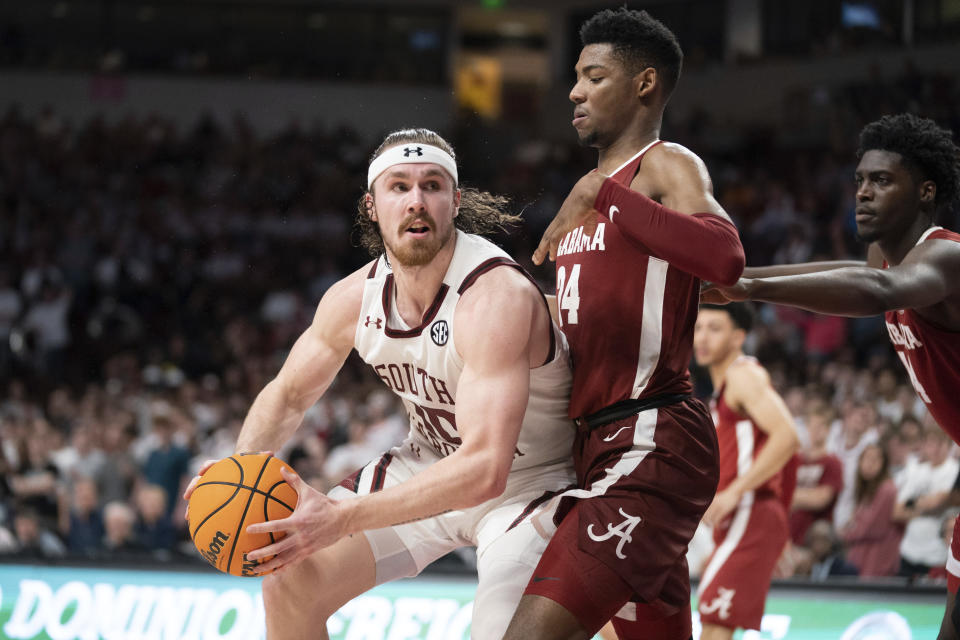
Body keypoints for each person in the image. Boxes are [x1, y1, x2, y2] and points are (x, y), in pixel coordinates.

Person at [185, 128, 577, 640]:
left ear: (455, 202)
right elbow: (287, 395)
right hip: (428, 464)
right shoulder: (353, 298)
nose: (417, 201)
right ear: (372, 206)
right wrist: (239, 467)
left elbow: (486, 469)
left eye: (432, 186)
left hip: (532, 486)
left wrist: (342, 519)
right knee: (288, 576)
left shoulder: (495, 296)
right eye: (399, 187)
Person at [502, 8, 745, 640]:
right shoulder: (588, 196)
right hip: (597, 445)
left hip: (650, 439)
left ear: (644, 84)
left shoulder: (666, 167)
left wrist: (600, 193)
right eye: (575, 79)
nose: (575, 92)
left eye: (593, 76)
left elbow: (725, 257)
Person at [703, 113, 960, 639]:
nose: (863, 192)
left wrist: (750, 291)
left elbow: (875, 291)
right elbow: (857, 273)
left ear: (926, 192)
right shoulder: (883, 260)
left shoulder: (948, 256)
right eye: (860, 180)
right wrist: (742, 277)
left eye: (883, 181)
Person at [692, 303, 798, 640]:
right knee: (711, 621)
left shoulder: (743, 376)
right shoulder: (721, 391)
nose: (702, 337)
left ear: (739, 337)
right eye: (698, 327)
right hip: (742, 517)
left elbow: (788, 437)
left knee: (714, 625)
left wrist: (736, 492)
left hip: (751, 512)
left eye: (714, 328)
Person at [840, 443, 903, 577]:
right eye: (866, 458)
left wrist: (845, 535)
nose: (870, 464)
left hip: (877, 560)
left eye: (875, 459)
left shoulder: (887, 489)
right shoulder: (865, 490)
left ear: (883, 464)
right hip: (860, 557)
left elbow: (871, 527)